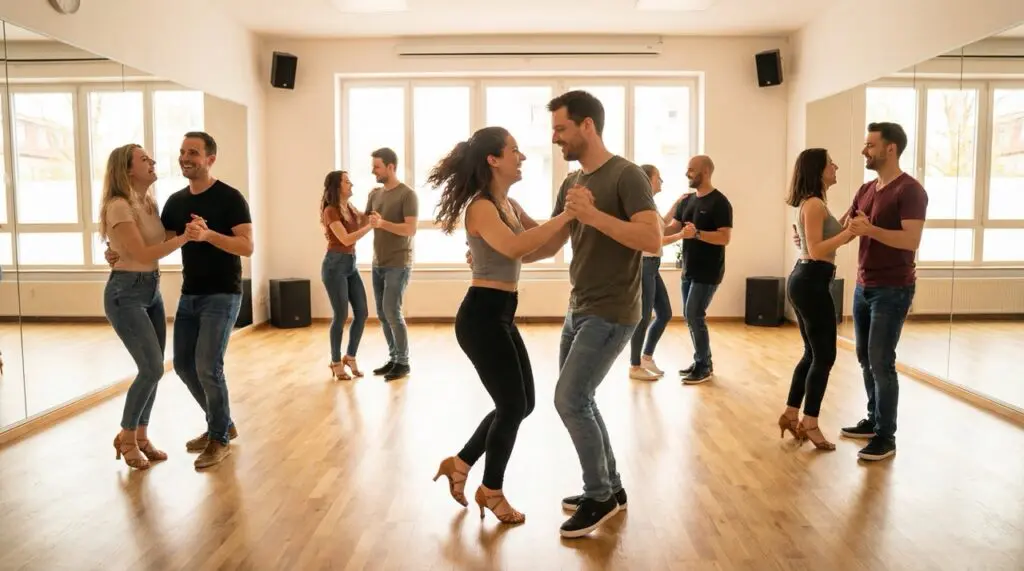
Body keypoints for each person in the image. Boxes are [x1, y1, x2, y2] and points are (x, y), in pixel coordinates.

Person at [524, 90, 661, 538]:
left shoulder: (627, 175)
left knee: (569, 399)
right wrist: (504, 254)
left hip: (613, 310)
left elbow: (652, 239)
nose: (555, 138)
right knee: (581, 399)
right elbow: (551, 241)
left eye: (561, 128)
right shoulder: (571, 183)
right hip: (578, 307)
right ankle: (611, 488)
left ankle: (598, 495)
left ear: (587, 125)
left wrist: (594, 215)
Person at [430, 126, 575, 526]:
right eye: (515, 150)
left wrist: (575, 216)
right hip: (480, 316)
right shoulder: (481, 208)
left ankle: (460, 463)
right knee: (512, 405)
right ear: (493, 159)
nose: (522, 156)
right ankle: (491, 490)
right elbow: (514, 247)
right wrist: (567, 215)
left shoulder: (508, 204)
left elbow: (541, 247)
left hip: (501, 314)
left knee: (522, 404)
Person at [109, 131, 253, 469]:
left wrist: (209, 235)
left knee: (208, 366)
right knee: (185, 366)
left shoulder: (230, 197)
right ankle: (221, 424)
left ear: (210, 159)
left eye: (193, 152)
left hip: (223, 294)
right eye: (182, 151)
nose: (185, 158)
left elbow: (247, 246)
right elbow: (156, 242)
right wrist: (115, 250)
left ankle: (218, 437)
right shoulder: (175, 202)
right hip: (190, 297)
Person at [840, 122, 926, 462]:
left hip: (893, 289)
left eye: (870, 145)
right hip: (864, 286)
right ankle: (873, 420)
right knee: (865, 357)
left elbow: (911, 240)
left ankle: (886, 436)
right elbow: (845, 228)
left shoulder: (910, 191)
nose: (864, 150)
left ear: (890, 148)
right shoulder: (865, 189)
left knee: (881, 361)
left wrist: (871, 230)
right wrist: (807, 236)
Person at [101, 143, 187, 470]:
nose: (152, 161)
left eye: (150, 157)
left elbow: (153, 242)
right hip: (126, 293)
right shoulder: (119, 205)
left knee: (154, 369)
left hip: (151, 289)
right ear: (127, 170)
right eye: (144, 159)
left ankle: (141, 435)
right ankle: (126, 437)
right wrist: (185, 238)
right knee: (151, 368)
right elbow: (142, 253)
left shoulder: (148, 202)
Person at [779, 148, 854, 451]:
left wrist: (848, 224)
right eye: (830, 163)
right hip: (811, 281)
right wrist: (849, 234)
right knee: (824, 356)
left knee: (812, 354)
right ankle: (810, 422)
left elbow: (826, 237)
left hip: (809, 280)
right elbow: (817, 249)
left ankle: (790, 414)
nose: (835, 166)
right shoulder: (813, 204)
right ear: (818, 170)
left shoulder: (817, 204)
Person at [663, 155, 732, 384]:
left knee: (694, 314)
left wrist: (698, 234)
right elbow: (673, 228)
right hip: (689, 270)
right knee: (690, 316)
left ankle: (704, 365)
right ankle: (702, 361)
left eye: (691, 170)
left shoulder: (720, 202)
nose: (687, 174)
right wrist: (650, 229)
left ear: (706, 172)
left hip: (708, 271)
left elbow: (724, 237)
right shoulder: (687, 201)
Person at [364, 148, 417, 382]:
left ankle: (403, 362)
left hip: (399, 262)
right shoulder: (375, 194)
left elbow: (410, 229)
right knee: (383, 314)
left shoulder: (408, 195)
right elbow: (365, 221)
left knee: (392, 312)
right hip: (378, 262)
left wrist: (382, 223)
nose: (373, 171)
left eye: (376, 167)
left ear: (390, 167)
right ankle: (394, 358)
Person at [627, 164, 683, 380]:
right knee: (643, 317)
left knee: (665, 313)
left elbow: (663, 225)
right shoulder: (641, 207)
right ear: (648, 180)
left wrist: (677, 204)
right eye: (658, 177)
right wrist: (680, 236)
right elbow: (655, 240)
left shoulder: (650, 205)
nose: (661, 181)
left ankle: (646, 357)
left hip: (653, 266)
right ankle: (634, 366)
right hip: (645, 265)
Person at [320, 170, 374, 380]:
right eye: (347, 181)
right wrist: (370, 227)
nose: (351, 184)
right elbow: (346, 239)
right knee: (341, 315)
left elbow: (365, 218)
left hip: (350, 264)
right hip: (334, 266)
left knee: (362, 313)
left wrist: (373, 199)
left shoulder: (349, 207)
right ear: (337, 186)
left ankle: (350, 357)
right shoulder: (330, 211)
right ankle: (335, 362)